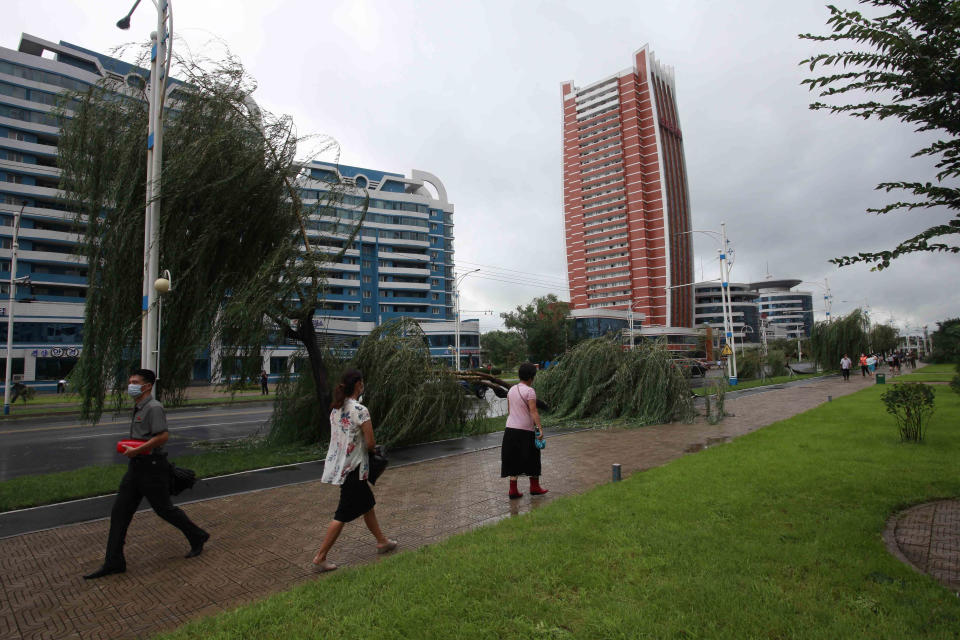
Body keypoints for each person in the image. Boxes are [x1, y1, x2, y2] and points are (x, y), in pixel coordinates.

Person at [83, 369, 209, 579]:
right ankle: (114, 561)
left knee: (165, 510)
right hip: (136, 468)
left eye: (135, 382)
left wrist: (138, 449)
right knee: (119, 513)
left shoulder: (154, 407)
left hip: (152, 467)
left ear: (147, 386)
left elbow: (163, 436)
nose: (130, 385)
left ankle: (198, 536)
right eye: (130, 381)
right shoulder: (139, 407)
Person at [312, 369, 396, 572]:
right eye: (363, 381)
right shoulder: (360, 410)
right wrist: (375, 451)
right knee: (342, 514)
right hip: (355, 468)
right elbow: (370, 443)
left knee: (368, 504)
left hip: (342, 466)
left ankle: (382, 541)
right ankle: (320, 557)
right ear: (358, 384)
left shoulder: (336, 409)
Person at [501, 362, 548, 499]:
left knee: (512, 459)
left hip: (510, 430)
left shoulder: (511, 390)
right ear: (531, 377)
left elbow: (510, 410)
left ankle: (513, 491)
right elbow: (533, 411)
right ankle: (535, 487)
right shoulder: (530, 391)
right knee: (533, 458)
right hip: (525, 431)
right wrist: (539, 428)